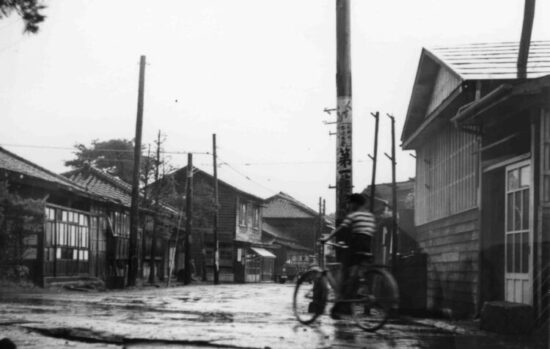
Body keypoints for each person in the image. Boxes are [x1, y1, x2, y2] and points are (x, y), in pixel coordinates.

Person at [321, 193, 376, 319]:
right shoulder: (370, 216)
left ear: (355, 203)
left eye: (349, 203)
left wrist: (327, 238)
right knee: (354, 275)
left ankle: (341, 301)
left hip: (356, 245)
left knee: (343, 270)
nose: (348, 206)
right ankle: (347, 303)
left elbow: (341, 228)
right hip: (367, 246)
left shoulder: (354, 215)